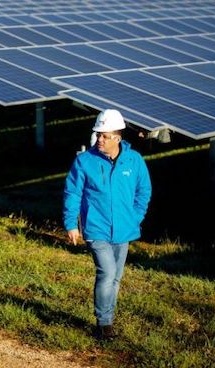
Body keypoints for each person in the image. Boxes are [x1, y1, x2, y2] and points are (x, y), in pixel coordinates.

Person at [62, 109, 151, 340]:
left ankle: (107, 319)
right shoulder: (84, 161)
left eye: (104, 135)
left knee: (116, 277)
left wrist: (136, 216)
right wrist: (71, 224)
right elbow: (72, 193)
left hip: (124, 230)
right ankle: (103, 323)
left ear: (117, 138)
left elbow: (144, 191)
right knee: (107, 272)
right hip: (96, 228)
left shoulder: (135, 160)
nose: (99, 139)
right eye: (98, 134)